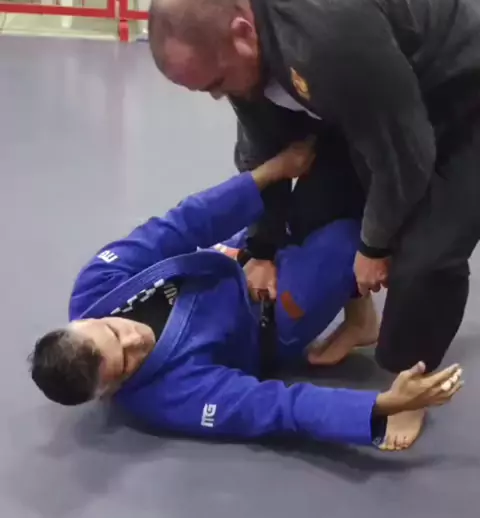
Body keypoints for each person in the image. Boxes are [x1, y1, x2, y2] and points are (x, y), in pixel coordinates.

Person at [147, 0, 480, 449]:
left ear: (242, 32)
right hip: (386, 91)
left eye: (217, 81)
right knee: (315, 212)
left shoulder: (327, 39)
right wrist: (262, 248)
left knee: (426, 256)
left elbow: (405, 155)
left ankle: (410, 388)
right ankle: (362, 320)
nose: (217, 95)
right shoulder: (244, 45)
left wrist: (375, 246)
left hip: (463, 82)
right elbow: (265, 153)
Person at [29, 143, 462, 452]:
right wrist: (380, 406)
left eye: (114, 330)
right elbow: (274, 408)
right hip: (269, 317)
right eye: (126, 361)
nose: (134, 339)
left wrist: (271, 172)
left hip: (235, 256)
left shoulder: (96, 287)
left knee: (328, 181)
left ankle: (359, 317)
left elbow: (181, 225)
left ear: (85, 320)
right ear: (109, 391)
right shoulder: (168, 397)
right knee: (357, 237)